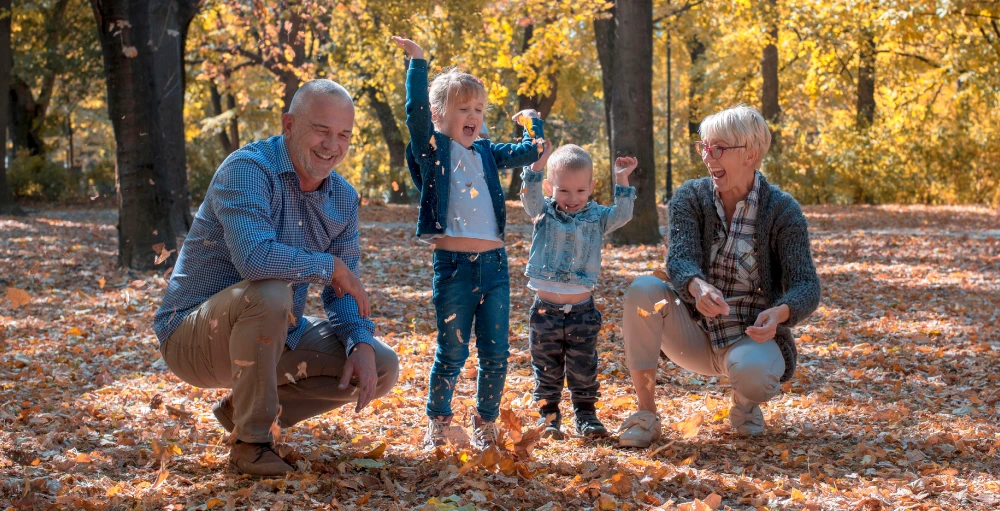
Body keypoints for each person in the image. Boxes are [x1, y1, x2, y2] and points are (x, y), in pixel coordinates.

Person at [153, 80, 400, 476]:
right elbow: (255, 260)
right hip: (193, 337)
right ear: (288, 124)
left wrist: (359, 340)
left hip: (274, 332)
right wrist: (330, 266)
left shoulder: (343, 198)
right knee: (269, 292)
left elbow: (342, 292)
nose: (332, 145)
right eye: (321, 130)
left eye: (343, 135)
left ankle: (240, 410)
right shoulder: (248, 170)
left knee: (381, 363)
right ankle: (251, 445)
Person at [618, 104, 821, 446]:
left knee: (754, 376)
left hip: (750, 338)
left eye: (720, 148)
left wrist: (780, 313)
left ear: (751, 154)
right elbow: (680, 260)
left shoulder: (783, 211)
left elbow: (806, 284)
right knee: (643, 291)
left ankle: (745, 405)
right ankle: (645, 414)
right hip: (694, 332)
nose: (709, 157)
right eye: (705, 148)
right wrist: (696, 287)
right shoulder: (690, 198)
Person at [392, 35, 545, 451]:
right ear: (441, 114)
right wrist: (418, 63)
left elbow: (532, 150)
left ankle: (485, 423)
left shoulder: (486, 153)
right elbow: (415, 115)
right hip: (454, 268)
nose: (473, 115)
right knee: (452, 353)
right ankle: (439, 423)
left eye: (478, 109)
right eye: (463, 108)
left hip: (495, 268)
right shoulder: (434, 149)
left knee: (496, 354)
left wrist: (533, 122)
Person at [519, 142, 637, 439]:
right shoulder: (543, 212)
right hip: (545, 311)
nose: (572, 199)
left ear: (591, 187)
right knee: (546, 368)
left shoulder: (597, 217)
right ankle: (549, 418)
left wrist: (622, 180)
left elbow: (622, 215)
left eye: (581, 191)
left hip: (582, 311)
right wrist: (535, 166)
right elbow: (530, 196)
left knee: (583, 366)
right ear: (549, 187)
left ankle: (586, 416)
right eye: (563, 191)